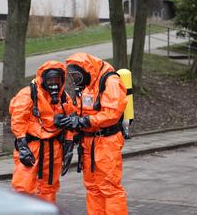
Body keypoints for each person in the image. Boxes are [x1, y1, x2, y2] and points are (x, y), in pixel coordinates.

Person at [55, 53, 129, 215]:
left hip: (106, 141)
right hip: (88, 142)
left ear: (87, 71)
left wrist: (84, 122)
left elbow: (112, 114)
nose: (75, 80)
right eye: (72, 77)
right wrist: (71, 119)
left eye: (77, 76)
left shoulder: (110, 82)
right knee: (92, 187)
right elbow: (82, 110)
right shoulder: (87, 84)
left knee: (109, 188)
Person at [9, 60, 75, 203]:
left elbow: (70, 121)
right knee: (23, 188)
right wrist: (22, 145)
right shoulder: (28, 95)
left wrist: (69, 146)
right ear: (43, 79)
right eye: (50, 80)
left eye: (57, 80)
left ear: (62, 80)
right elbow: (18, 119)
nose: (54, 84)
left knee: (49, 187)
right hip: (32, 146)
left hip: (53, 149)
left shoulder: (64, 98)